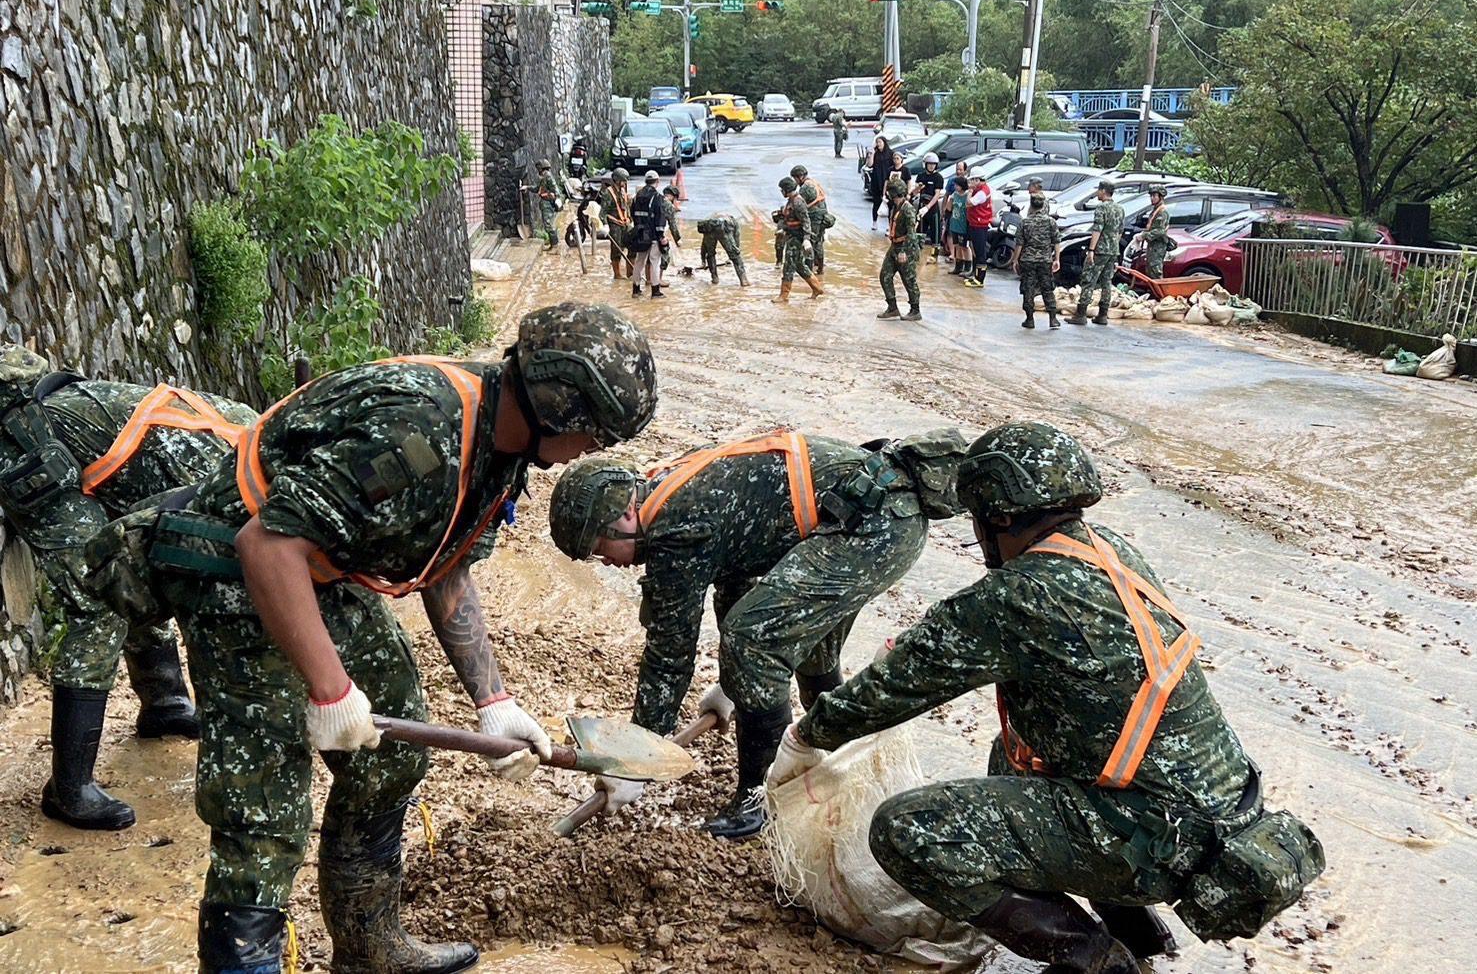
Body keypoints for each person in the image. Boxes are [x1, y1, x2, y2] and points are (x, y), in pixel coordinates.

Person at [85, 303, 658, 974]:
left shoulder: (499, 450)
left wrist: (493, 701)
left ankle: (367, 947)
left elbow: (446, 568)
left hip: (323, 569)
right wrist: (331, 692)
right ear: (558, 407)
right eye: (593, 437)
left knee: (390, 755)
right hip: (233, 572)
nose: (589, 454)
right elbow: (266, 545)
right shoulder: (415, 430)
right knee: (263, 812)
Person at [769, 422, 1325, 974]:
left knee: (907, 831)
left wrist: (805, 737)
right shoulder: (1111, 553)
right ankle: (1137, 930)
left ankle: (1094, 959)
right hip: (1220, 815)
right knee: (1010, 752)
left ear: (999, 517)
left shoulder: (1018, 595)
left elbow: (893, 689)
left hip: (1158, 841)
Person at [547, 426, 969, 838]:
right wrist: (734, 686)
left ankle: (759, 797)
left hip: (873, 527)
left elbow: (669, 655)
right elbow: (738, 572)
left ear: (624, 514)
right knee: (799, 650)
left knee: (753, 642)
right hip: (875, 516)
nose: (605, 561)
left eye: (600, 547)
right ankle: (840, 761)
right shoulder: (665, 486)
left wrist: (633, 757)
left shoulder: (675, 526)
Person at [0, 348, 257, 830]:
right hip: (32, 449)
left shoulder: (257, 442)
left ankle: (162, 703)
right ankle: (69, 789)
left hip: (89, 452)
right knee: (98, 603)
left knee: (140, 567)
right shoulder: (248, 486)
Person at [1069, 182, 1126, 326]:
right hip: (1113, 250)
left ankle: (1081, 314)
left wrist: (1091, 250)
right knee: (1107, 281)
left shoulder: (1101, 208)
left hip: (1100, 249)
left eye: (1099, 191)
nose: (1097, 194)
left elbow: (1097, 230)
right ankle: (1102, 315)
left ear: (1104, 191)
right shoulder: (1120, 209)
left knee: (1089, 280)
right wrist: (1113, 245)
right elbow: (1120, 231)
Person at [1012, 191, 1060, 330]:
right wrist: (1057, 258)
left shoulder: (1025, 222)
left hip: (1028, 260)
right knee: (1047, 288)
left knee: (1028, 288)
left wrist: (1015, 260)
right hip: (1045, 260)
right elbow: (1056, 241)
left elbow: (1019, 244)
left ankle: (1030, 318)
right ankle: (1053, 318)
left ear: (1031, 205)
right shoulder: (1051, 221)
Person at [773, 176, 824, 303]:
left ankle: (784, 295)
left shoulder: (798, 202)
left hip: (797, 238)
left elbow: (806, 222)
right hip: (791, 236)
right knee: (799, 266)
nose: (781, 192)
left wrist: (806, 239)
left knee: (788, 266)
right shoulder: (791, 201)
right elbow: (789, 219)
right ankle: (816, 287)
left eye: (782, 189)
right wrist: (783, 229)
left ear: (787, 189)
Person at [878, 178, 922, 321]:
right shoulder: (896, 206)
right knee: (885, 275)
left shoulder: (907, 209)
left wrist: (904, 252)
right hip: (894, 246)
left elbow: (911, 233)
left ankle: (915, 310)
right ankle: (892, 307)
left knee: (909, 280)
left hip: (905, 248)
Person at [628, 171, 667, 299]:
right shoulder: (657, 197)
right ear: (657, 181)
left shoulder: (637, 196)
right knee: (655, 261)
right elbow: (660, 218)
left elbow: (632, 214)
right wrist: (661, 236)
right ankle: (655, 291)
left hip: (640, 233)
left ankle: (636, 290)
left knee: (639, 261)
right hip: (653, 235)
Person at [791, 164, 833, 276]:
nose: (794, 181)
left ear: (799, 177)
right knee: (819, 242)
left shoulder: (805, 187)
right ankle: (820, 268)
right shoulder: (813, 183)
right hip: (823, 216)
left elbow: (798, 204)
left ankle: (808, 271)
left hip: (815, 218)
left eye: (794, 178)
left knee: (810, 242)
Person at [696, 215, 750, 286]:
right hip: (723, 227)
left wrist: (703, 261)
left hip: (710, 227)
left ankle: (715, 278)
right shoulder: (734, 224)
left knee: (710, 254)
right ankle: (744, 280)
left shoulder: (708, 223)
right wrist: (731, 257)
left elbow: (704, 247)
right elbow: (736, 245)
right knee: (735, 255)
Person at [600, 169, 634, 281]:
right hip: (614, 224)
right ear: (617, 180)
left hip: (625, 223)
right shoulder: (608, 193)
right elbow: (603, 212)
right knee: (616, 249)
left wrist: (630, 218)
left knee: (633, 246)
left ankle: (631, 272)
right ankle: (617, 274)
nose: (625, 183)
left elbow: (626, 208)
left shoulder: (623, 191)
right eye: (623, 181)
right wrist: (605, 225)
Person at [914, 153, 946, 263]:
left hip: (932, 208)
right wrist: (918, 188)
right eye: (929, 164)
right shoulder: (920, 176)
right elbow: (915, 191)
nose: (931, 166)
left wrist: (928, 207)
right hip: (921, 206)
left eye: (933, 164)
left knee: (935, 233)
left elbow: (937, 194)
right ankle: (916, 253)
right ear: (925, 164)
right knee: (919, 232)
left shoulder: (938, 178)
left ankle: (934, 256)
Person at [966, 172, 995, 287]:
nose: (970, 183)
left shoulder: (982, 192)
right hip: (974, 223)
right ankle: (975, 275)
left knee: (980, 252)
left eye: (972, 180)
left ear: (978, 180)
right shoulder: (980, 190)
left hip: (980, 224)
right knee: (975, 249)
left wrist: (970, 192)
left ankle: (980, 279)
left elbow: (969, 202)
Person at [944, 175, 973, 283]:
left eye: (957, 185)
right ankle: (958, 265)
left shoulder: (967, 196)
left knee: (964, 246)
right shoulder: (954, 195)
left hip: (963, 224)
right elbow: (949, 208)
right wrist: (950, 200)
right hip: (954, 223)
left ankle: (967, 265)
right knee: (957, 246)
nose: (955, 187)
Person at [1140, 185, 1171, 279]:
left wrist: (1144, 235)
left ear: (1160, 197)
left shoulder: (1162, 211)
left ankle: (1159, 293)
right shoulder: (1155, 210)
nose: (1152, 198)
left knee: (1155, 271)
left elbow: (1159, 231)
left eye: (1154, 196)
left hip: (1158, 247)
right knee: (1150, 271)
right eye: (1151, 196)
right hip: (1152, 246)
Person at [534, 159, 562, 250]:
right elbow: (537, 189)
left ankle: (555, 246)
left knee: (549, 225)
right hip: (545, 202)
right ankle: (552, 244)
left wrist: (556, 197)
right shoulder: (543, 177)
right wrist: (527, 187)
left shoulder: (547, 176)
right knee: (548, 224)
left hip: (548, 203)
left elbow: (555, 189)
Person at [867, 137, 893, 229]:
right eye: (877, 142)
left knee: (889, 203)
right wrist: (871, 154)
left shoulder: (890, 153)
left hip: (886, 179)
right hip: (876, 180)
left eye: (880, 142)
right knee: (876, 202)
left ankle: (889, 225)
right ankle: (874, 222)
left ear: (884, 143)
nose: (878, 144)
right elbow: (870, 164)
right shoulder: (875, 153)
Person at [660, 185, 683, 277]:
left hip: (646, 231)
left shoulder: (657, 199)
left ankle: (649, 279)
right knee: (664, 255)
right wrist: (678, 239)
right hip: (658, 233)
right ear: (673, 196)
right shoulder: (668, 204)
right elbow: (672, 225)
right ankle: (658, 279)